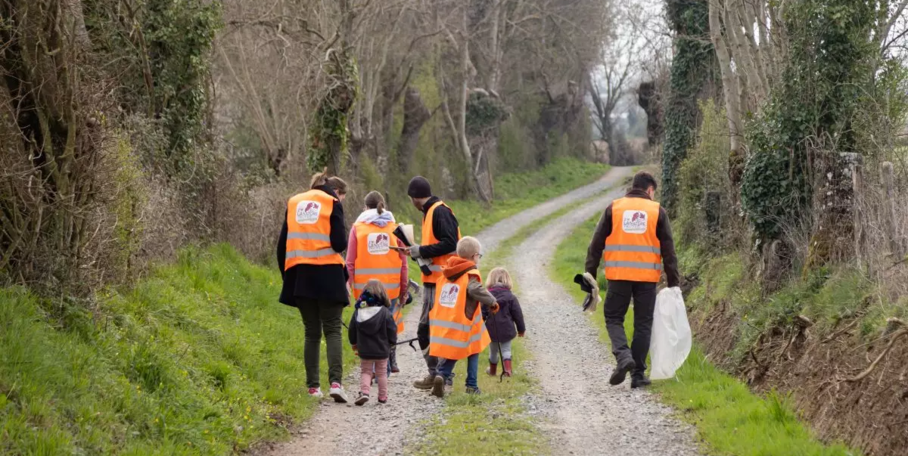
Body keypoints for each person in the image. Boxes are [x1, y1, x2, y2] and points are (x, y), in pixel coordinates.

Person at [584, 171, 680, 389]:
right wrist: (674, 282)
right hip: (647, 279)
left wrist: (590, 275)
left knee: (613, 317)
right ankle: (637, 374)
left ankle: (623, 356)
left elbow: (595, 245)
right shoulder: (657, 211)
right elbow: (669, 251)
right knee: (643, 324)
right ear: (650, 190)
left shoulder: (614, 208)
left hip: (618, 277)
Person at [276, 169, 351, 402]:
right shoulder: (331, 202)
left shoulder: (294, 202)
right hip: (329, 275)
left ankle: (313, 388)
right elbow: (339, 243)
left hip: (300, 277)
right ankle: (336, 384)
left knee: (311, 332)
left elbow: (281, 246)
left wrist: (288, 276)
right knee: (333, 330)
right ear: (335, 190)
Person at [405, 176, 462, 390]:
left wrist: (421, 250)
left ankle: (442, 375)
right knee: (427, 330)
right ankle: (436, 374)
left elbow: (451, 243)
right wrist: (418, 253)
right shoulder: (429, 212)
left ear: (414, 198)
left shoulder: (439, 212)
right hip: (433, 280)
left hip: (444, 282)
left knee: (436, 330)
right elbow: (438, 246)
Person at [346, 191, 408, 374]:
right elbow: (404, 264)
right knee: (388, 327)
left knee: (367, 325)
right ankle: (386, 368)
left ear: (365, 207)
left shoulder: (358, 229)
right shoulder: (396, 229)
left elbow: (349, 263)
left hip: (365, 291)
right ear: (383, 206)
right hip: (391, 290)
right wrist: (404, 290)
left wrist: (346, 287)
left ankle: (372, 369)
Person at [429, 236, 499, 397]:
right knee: (471, 351)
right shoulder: (470, 274)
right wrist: (492, 302)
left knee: (457, 351)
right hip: (465, 322)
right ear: (474, 256)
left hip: (447, 320)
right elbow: (475, 290)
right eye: (479, 256)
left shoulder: (447, 271)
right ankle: (471, 385)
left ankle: (441, 376)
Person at [348, 280, 398, 406]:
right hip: (382, 349)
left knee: (366, 371)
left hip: (364, 349)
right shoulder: (385, 312)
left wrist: (354, 343)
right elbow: (392, 329)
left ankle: (365, 392)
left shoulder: (358, 312)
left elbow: (352, 329)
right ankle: (382, 397)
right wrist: (392, 342)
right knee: (381, 373)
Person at [483, 268, 526, 378]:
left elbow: (482, 313)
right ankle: (507, 371)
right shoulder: (511, 297)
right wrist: (521, 329)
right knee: (506, 350)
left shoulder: (486, 297)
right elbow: (518, 315)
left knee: (493, 351)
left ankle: (492, 371)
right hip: (507, 329)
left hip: (491, 329)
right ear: (507, 280)